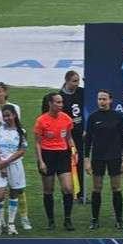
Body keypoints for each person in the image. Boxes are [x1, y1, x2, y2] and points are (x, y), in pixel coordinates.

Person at [84, 89, 123, 230]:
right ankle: (94, 220)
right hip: (98, 157)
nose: (101, 102)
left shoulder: (118, 117)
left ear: (110, 100)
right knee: (97, 188)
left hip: (115, 157)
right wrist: (86, 159)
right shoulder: (92, 117)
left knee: (116, 188)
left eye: (104, 99)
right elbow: (88, 140)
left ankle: (119, 220)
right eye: (99, 99)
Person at [34, 92, 76, 230]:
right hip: (47, 156)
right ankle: (51, 221)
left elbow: (69, 137)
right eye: (58, 102)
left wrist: (74, 150)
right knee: (48, 190)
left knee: (68, 188)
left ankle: (68, 220)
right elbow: (38, 143)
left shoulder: (66, 119)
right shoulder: (41, 121)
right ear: (50, 104)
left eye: (61, 102)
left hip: (63, 155)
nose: (61, 105)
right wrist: (41, 161)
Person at [0, 104, 29, 235]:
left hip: (15, 166)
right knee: (0, 195)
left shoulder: (21, 131)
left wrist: (7, 162)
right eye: (4, 116)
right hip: (0, 165)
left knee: (14, 193)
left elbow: (22, 150)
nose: (6, 118)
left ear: (14, 115)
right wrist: (0, 162)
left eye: (8, 115)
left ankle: (11, 224)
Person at [59, 71, 85, 204]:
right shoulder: (60, 97)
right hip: (67, 135)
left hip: (80, 134)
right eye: (74, 81)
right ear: (66, 80)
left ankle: (81, 193)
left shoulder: (81, 92)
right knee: (70, 163)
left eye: (78, 81)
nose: (77, 84)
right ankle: (70, 191)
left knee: (79, 161)